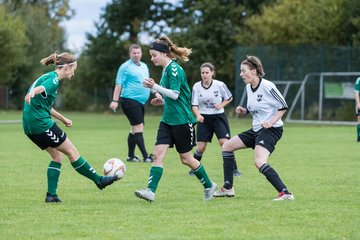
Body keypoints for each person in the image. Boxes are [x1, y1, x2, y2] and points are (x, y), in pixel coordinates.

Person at [22, 52, 118, 203]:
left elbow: (44, 105)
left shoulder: (48, 76)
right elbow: (41, 89)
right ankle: (99, 180)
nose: (74, 72)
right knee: (72, 152)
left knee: (56, 157)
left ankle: (51, 195)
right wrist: (33, 92)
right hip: (41, 124)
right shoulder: (53, 80)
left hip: (29, 126)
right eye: (74, 69)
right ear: (67, 67)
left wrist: (63, 118)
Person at [134, 36, 217, 202]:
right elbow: (172, 97)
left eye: (154, 54)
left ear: (164, 53)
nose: (152, 58)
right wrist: (162, 100)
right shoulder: (166, 70)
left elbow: (176, 94)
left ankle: (209, 185)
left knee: (186, 159)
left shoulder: (174, 70)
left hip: (182, 120)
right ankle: (150, 191)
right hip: (167, 120)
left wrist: (154, 87)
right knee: (157, 155)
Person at [213, 55, 295, 201]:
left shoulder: (268, 86)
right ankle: (228, 188)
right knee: (226, 147)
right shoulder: (248, 88)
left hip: (271, 130)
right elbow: (257, 108)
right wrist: (244, 111)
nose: (241, 74)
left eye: (244, 71)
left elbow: (283, 106)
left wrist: (271, 121)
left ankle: (285, 193)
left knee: (259, 162)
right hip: (256, 129)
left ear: (254, 70)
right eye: (241, 71)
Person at [189, 62, 241, 177]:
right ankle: (194, 168)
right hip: (203, 118)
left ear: (212, 73)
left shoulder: (219, 85)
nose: (204, 75)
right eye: (202, 73)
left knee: (225, 143)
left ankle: (235, 169)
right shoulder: (196, 86)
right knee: (201, 147)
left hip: (218, 118)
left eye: (207, 72)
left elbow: (229, 97)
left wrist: (221, 105)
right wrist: (197, 115)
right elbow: (194, 105)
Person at [109, 44, 153, 163]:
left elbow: (148, 82)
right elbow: (119, 84)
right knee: (138, 127)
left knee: (134, 129)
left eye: (138, 52)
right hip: (129, 100)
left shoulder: (144, 66)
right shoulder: (125, 67)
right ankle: (146, 156)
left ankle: (131, 156)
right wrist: (115, 100)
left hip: (141, 102)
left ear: (141, 53)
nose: (136, 55)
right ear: (130, 54)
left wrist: (156, 92)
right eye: (134, 53)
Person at [354, 76, 360, 142]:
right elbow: (356, 92)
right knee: (359, 120)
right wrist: (358, 103)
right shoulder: (359, 79)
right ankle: (359, 136)